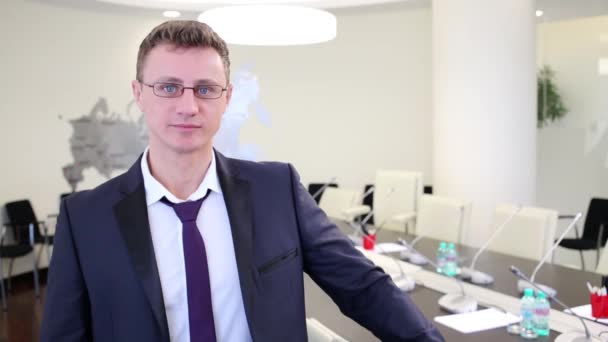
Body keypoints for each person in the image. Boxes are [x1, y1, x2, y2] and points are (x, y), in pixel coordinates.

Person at [40, 20, 444, 342]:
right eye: (168, 87)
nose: (188, 106)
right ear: (139, 94)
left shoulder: (277, 190)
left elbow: (363, 287)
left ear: (227, 98)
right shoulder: (84, 217)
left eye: (205, 89)